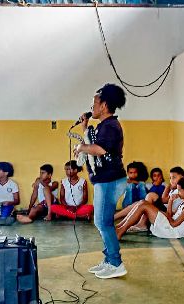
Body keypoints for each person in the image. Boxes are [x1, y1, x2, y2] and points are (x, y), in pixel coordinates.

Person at [75, 83, 128, 279]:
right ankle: (109, 260)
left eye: (94, 103)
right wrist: (85, 128)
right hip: (106, 180)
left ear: (104, 105)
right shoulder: (104, 125)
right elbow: (95, 144)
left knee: (103, 222)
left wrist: (81, 148)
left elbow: (99, 149)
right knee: (103, 222)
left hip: (109, 181)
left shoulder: (111, 126)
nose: (92, 107)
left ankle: (116, 263)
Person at [117, 176, 184, 240]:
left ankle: (121, 230)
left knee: (144, 205)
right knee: (142, 202)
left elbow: (174, 224)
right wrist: (170, 201)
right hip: (169, 225)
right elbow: (170, 215)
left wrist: (164, 214)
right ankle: (120, 226)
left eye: (179, 190)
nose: (178, 193)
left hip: (172, 232)